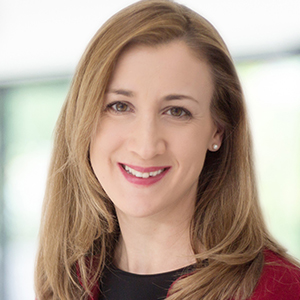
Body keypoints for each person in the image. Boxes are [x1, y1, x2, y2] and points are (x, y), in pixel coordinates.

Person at [34, 1, 300, 299]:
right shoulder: (66, 286)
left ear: (217, 130)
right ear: (81, 119)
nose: (146, 146)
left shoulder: (280, 289)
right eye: (120, 106)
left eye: (176, 111)